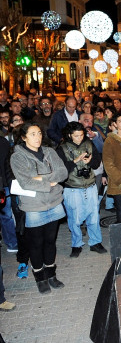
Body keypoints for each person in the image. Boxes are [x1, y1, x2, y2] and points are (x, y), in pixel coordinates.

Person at [10, 122, 68, 294]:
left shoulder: (50, 151)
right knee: (36, 244)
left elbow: (63, 172)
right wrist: (50, 181)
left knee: (50, 241)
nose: (37, 137)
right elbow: (25, 182)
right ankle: (40, 277)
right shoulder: (17, 157)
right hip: (33, 206)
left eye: (39, 133)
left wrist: (39, 178)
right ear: (23, 137)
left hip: (54, 202)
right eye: (33, 134)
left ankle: (51, 274)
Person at [57, 122, 106, 258]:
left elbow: (96, 164)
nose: (80, 138)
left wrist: (89, 162)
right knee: (74, 218)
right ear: (69, 135)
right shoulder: (62, 148)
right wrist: (75, 161)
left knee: (94, 216)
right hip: (72, 188)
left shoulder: (89, 144)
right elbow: (60, 171)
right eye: (76, 136)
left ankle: (95, 242)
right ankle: (76, 244)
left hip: (90, 185)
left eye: (81, 135)